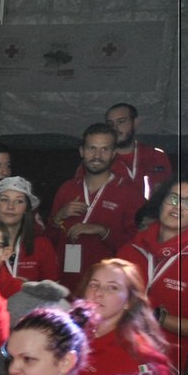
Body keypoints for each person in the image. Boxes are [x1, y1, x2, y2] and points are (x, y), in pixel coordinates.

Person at [118, 176, 188, 364]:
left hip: (172, 364)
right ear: (161, 203)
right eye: (173, 198)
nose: (178, 207)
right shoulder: (129, 250)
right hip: (124, 353)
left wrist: (159, 318)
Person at [47, 123, 142, 288]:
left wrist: (103, 231)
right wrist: (58, 218)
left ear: (113, 153)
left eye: (104, 149)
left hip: (106, 287)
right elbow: (48, 240)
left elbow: (138, 245)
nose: (97, 155)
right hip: (67, 285)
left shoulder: (129, 192)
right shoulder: (67, 188)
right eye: (92, 148)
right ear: (81, 151)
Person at [74, 259, 175, 375]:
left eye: (112, 287)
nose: (98, 293)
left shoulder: (142, 356)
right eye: (94, 285)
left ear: (129, 301)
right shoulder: (67, 337)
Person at [0, 176, 60, 284]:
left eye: (19, 201)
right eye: (4, 200)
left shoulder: (42, 245)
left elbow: (53, 293)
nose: (11, 207)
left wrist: (30, 290)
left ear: (26, 209)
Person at [105, 101, 173, 202]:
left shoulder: (155, 156)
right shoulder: (100, 157)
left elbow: (167, 193)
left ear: (135, 122)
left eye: (121, 121)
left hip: (149, 214)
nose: (115, 128)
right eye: (110, 124)